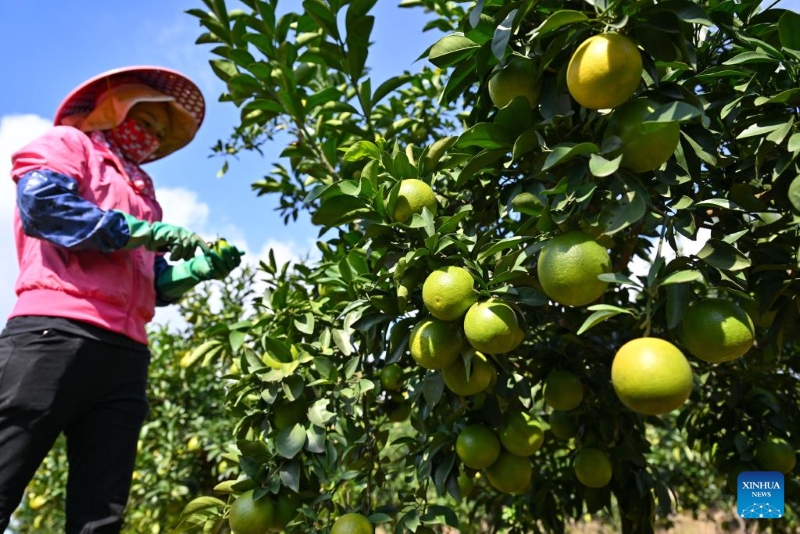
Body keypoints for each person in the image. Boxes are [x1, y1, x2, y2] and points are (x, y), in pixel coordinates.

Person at [0, 66, 242, 532]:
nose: (149, 136)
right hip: (56, 331)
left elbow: (146, 280)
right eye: (143, 120)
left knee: (100, 515)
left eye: (157, 132)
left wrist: (196, 270)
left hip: (125, 354)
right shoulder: (68, 145)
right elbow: (45, 208)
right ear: (113, 109)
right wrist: (139, 232)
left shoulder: (143, 194)